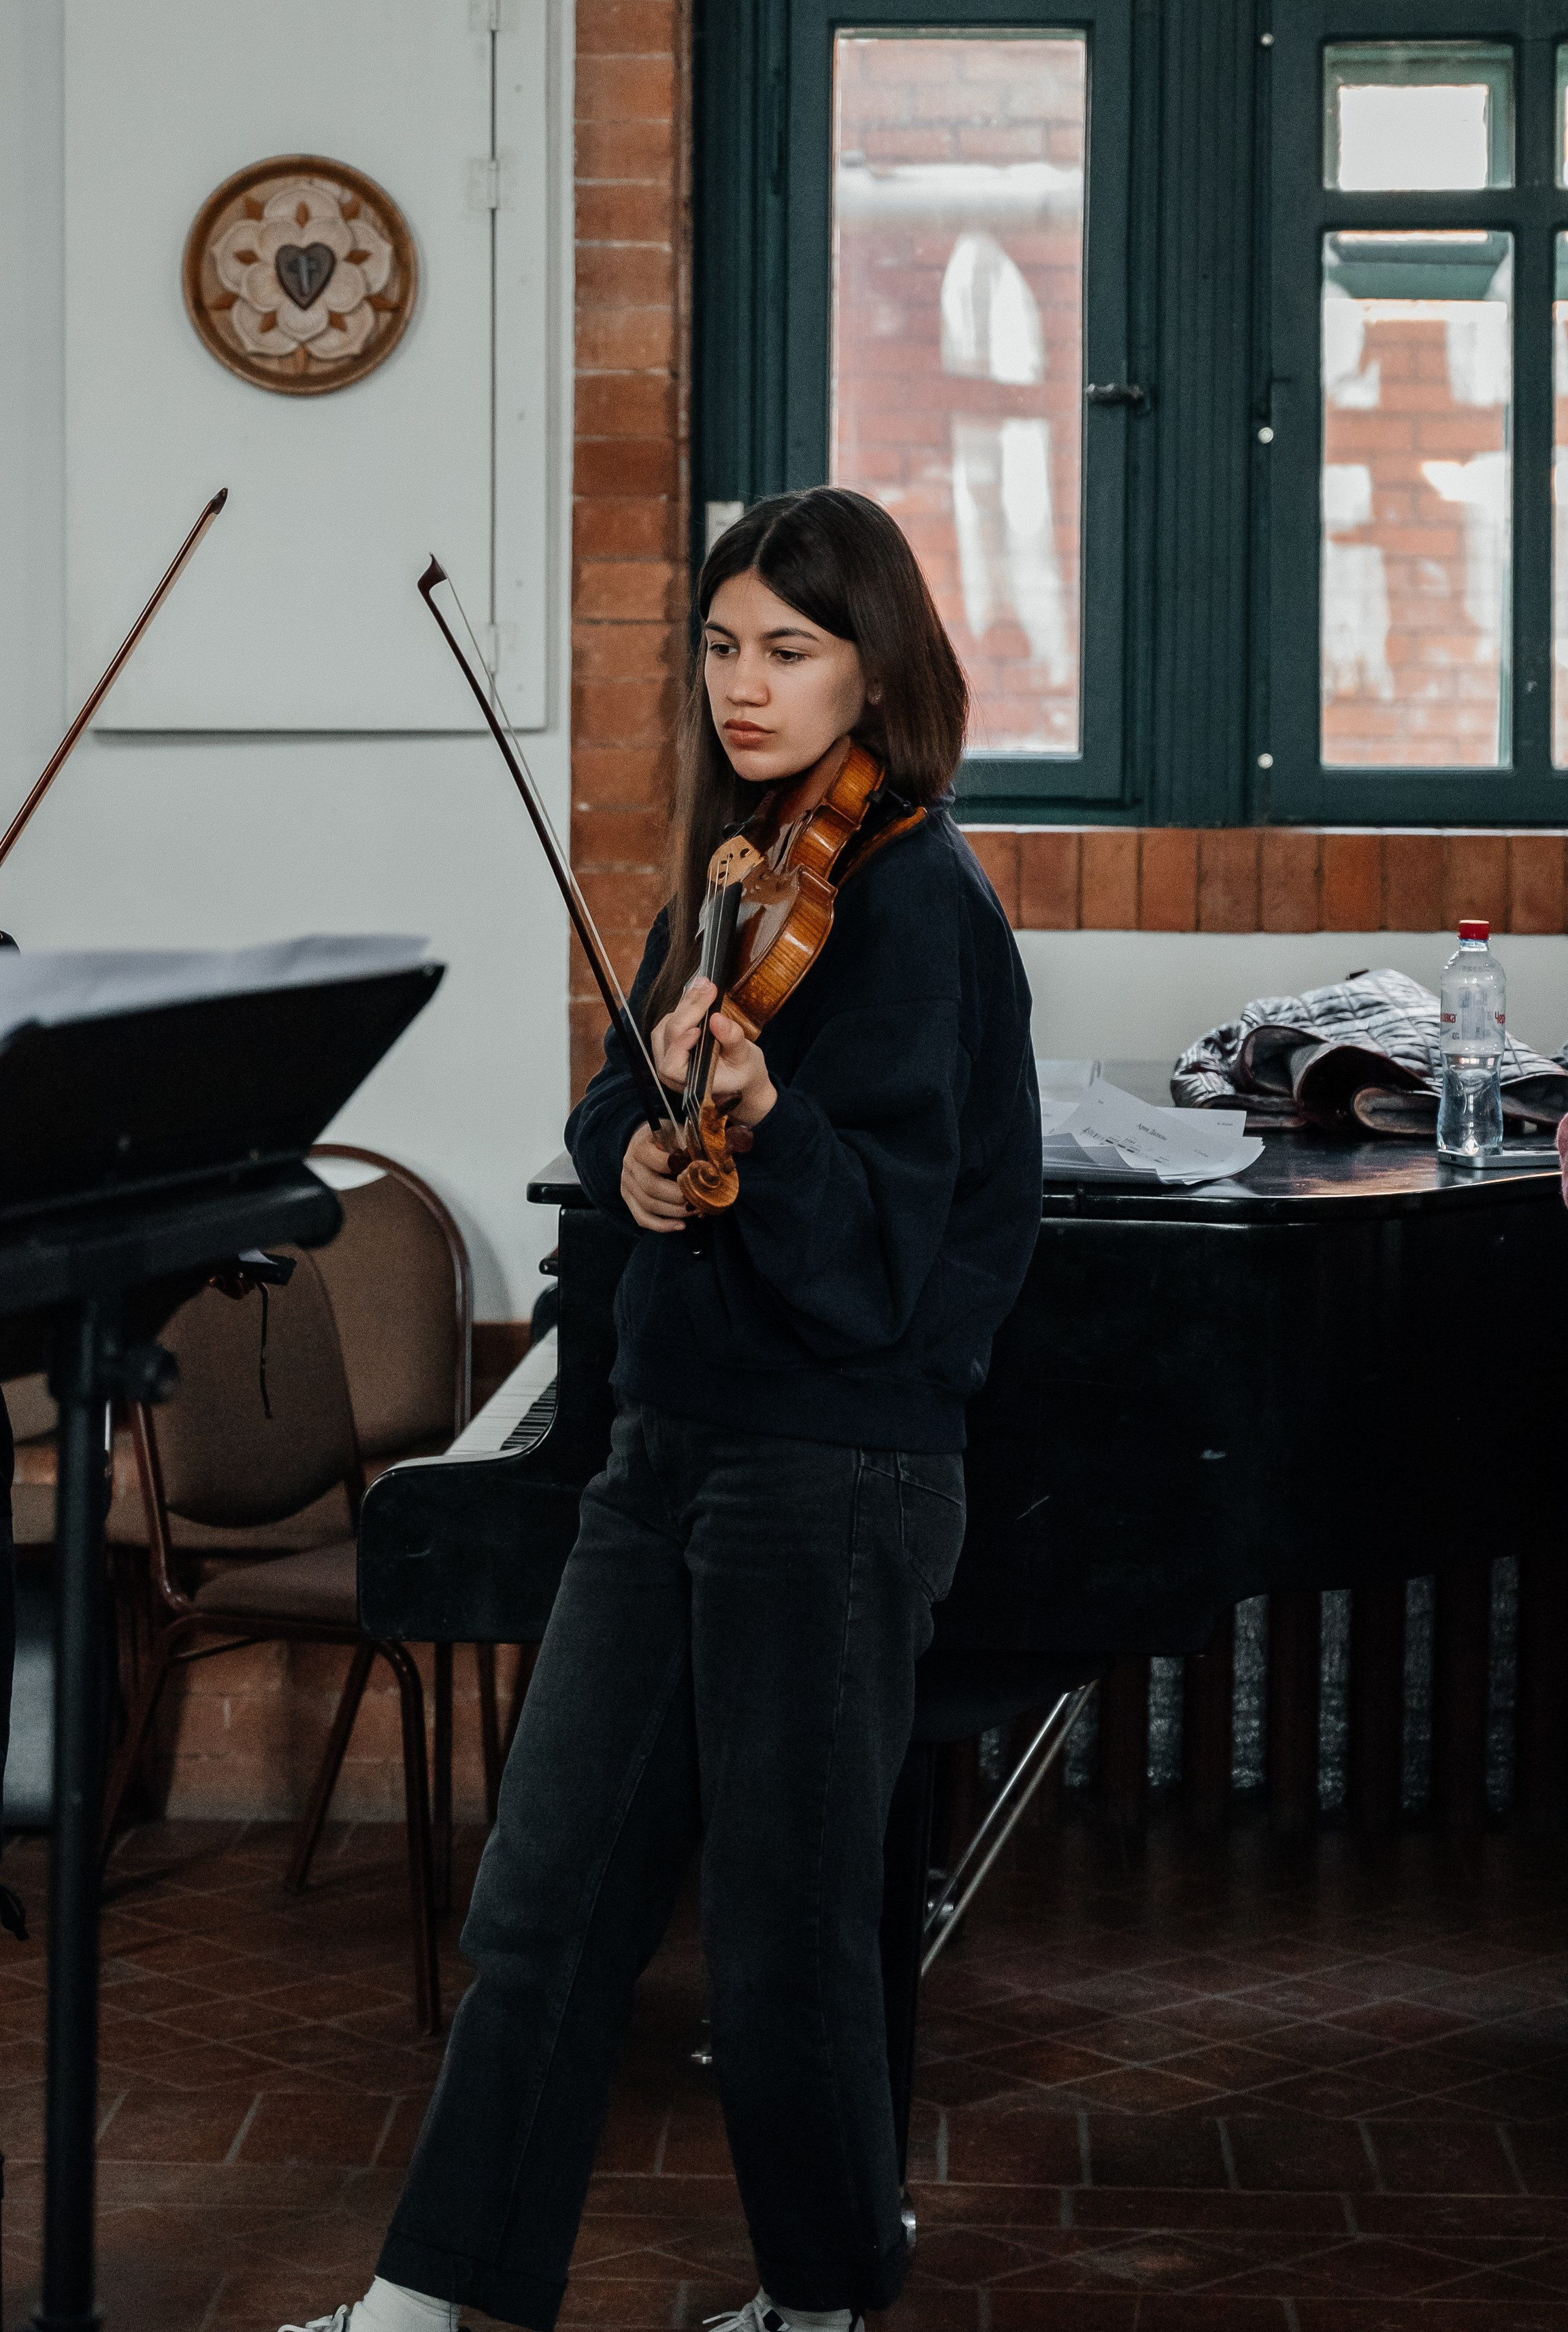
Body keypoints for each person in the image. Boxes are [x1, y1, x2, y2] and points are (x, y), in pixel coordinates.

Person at [284, 488, 1042, 2332]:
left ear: (881, 666)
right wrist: (639, 1157)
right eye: (720, 647)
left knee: (786, 1938)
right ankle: (430, 2297)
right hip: (670, 1448)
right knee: (545, 1897)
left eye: (790, 649)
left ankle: (827, 2296)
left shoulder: (921, 905)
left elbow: (881, 1267)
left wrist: (766, 1129)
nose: (745, 686)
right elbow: (618, 1110)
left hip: (836, 1468)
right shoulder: (731, 877)